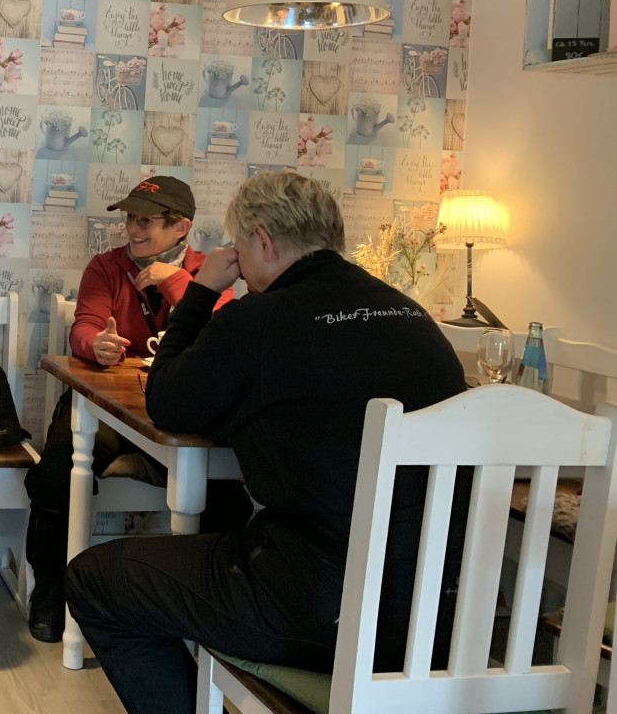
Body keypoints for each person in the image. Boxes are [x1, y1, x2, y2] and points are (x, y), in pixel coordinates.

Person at [64, 171, 468, 714]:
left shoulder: (259, 319)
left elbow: (167, 401)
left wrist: (202, 291)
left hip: (320, 608)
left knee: (96, 579)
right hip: (437, 611)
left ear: (262, 240)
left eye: (238, 245)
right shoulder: (413, 318)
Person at [23, 175, 237, 643]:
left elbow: (225, 336)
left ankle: (210, 607)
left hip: (181, 411)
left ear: (180, 227)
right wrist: (95, 345)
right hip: (109, 408)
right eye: (130, 219)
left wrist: (177, 283)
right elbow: (84, 326)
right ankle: (51, 589)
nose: (133, 230)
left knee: (229, 490)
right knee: (55, 471)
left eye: (146, 221)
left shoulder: (210, 270)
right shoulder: (106, 266)